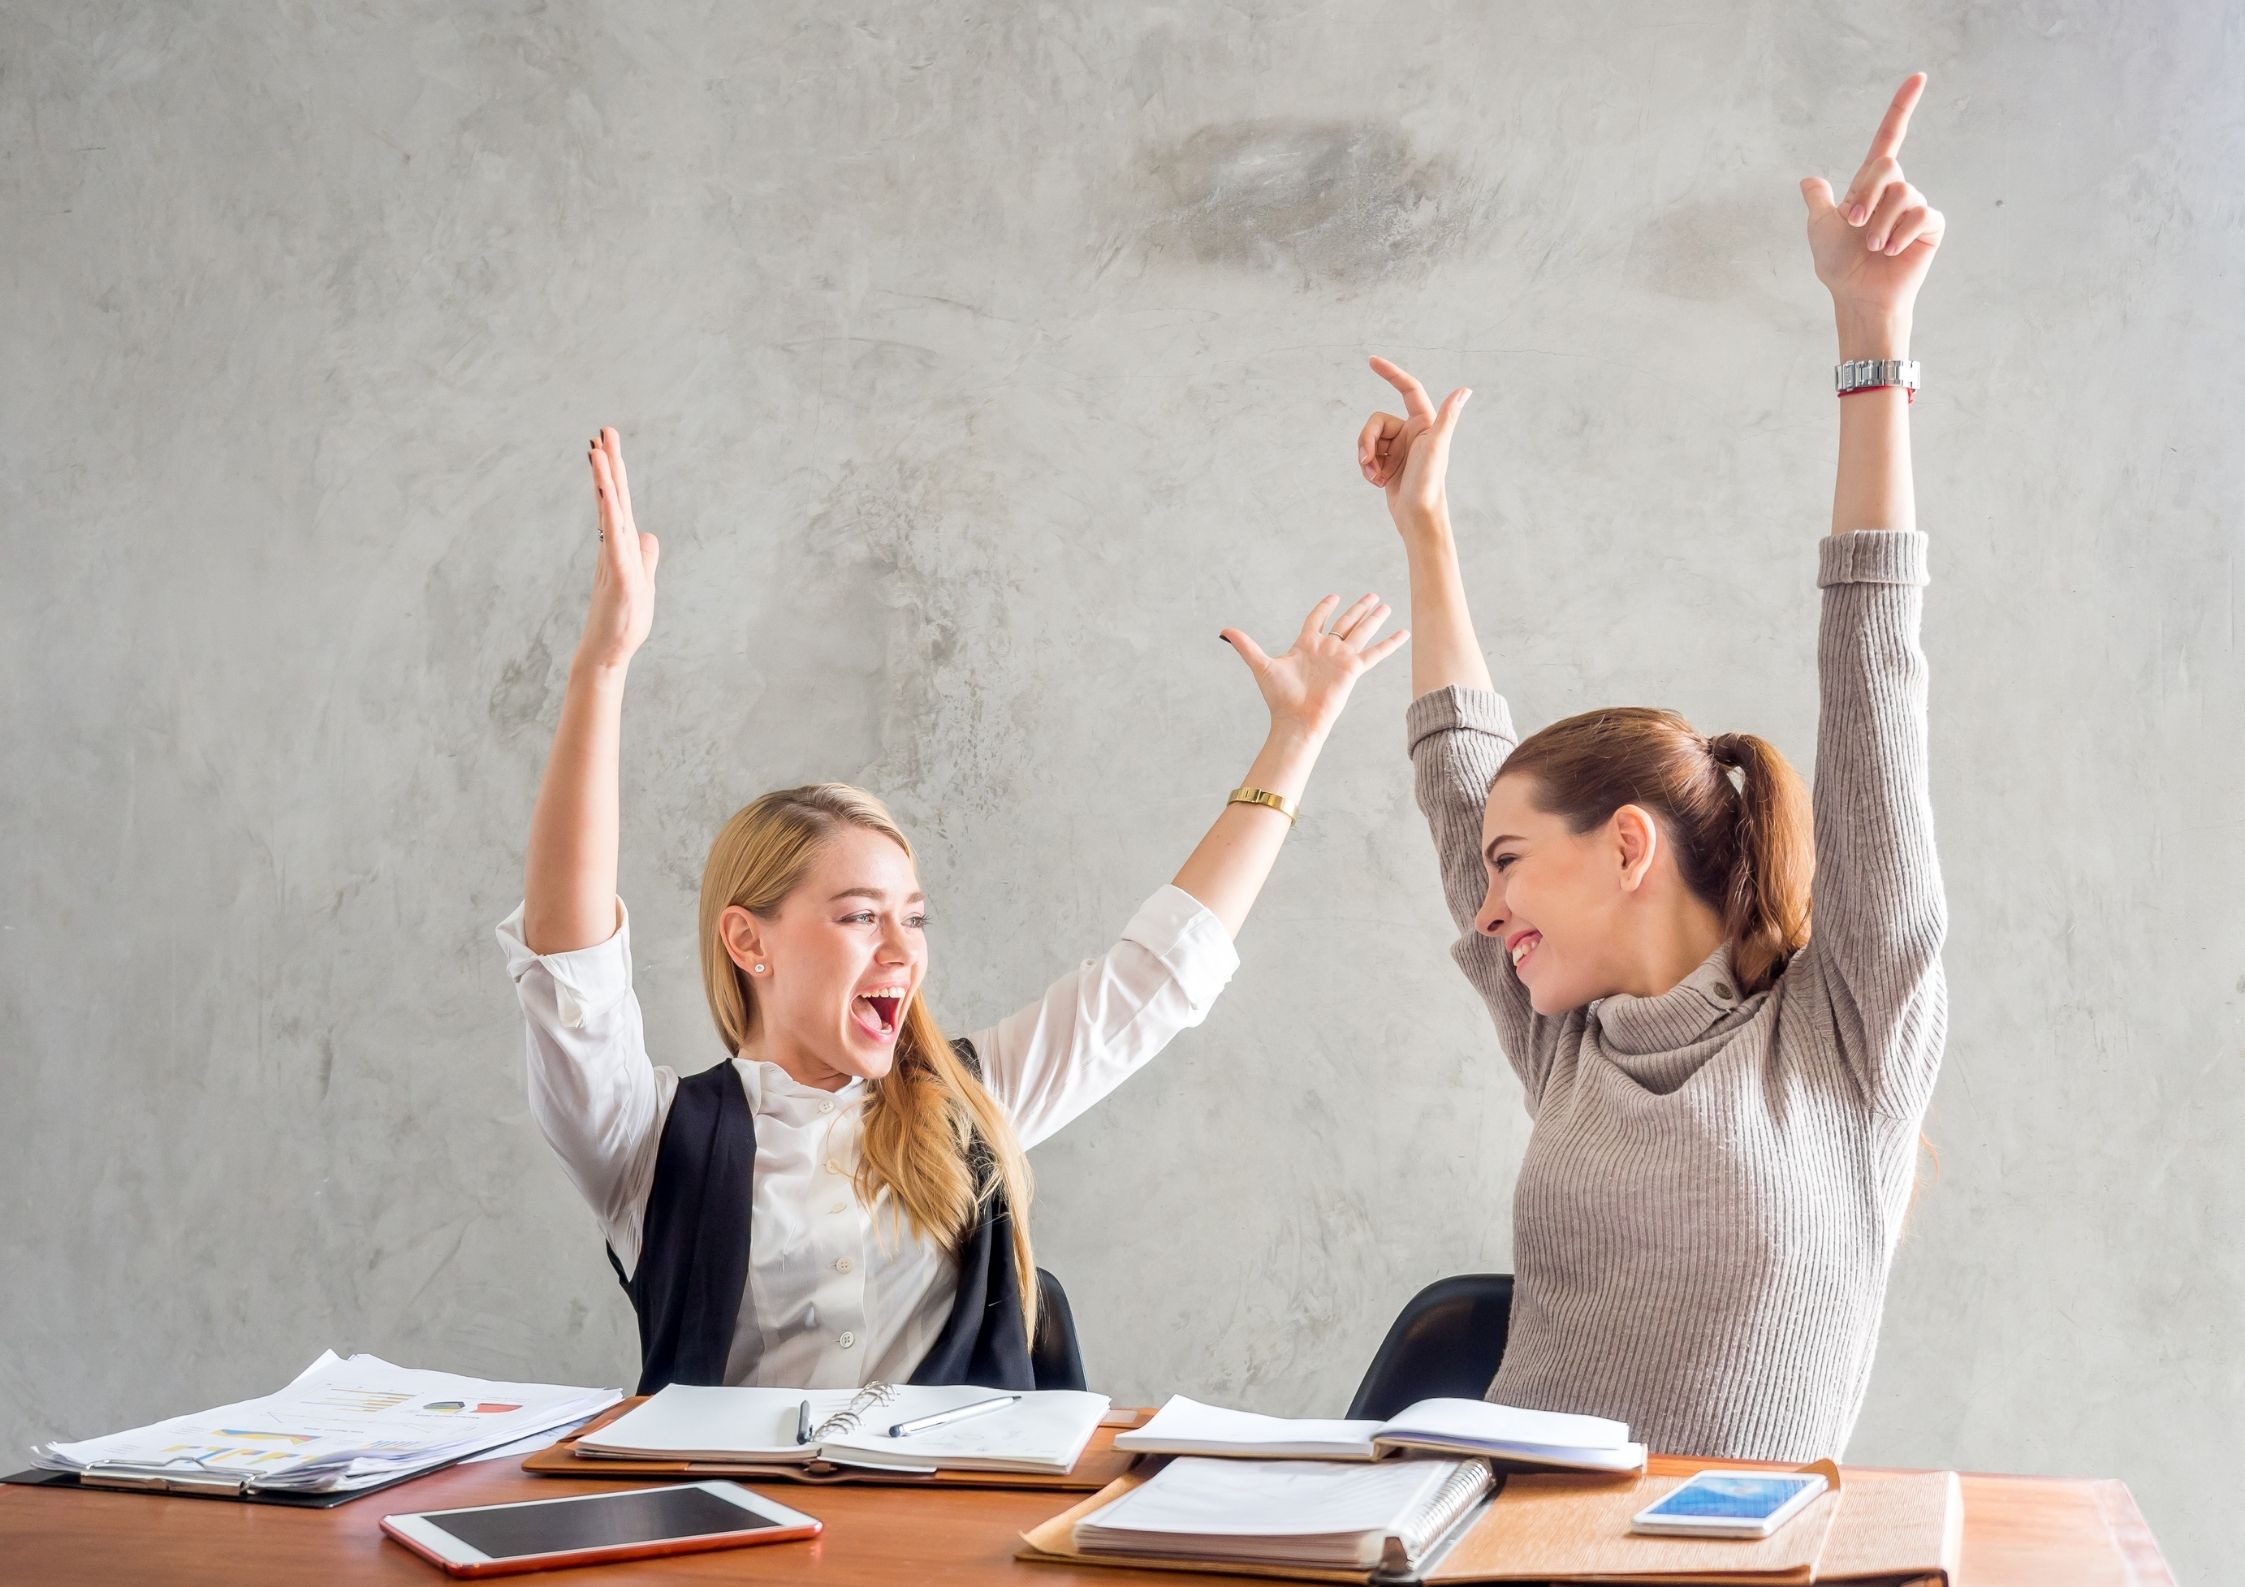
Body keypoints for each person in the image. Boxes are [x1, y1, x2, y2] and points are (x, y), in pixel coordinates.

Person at [498, 428, 1407, 1394]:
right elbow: (571, 968)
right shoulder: (649, 1138)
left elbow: (1160, 975)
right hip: (733, 1534)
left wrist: (1295, 738)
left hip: (948, 1537)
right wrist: (600, 670)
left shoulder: (969, 1104)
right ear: (746, 939)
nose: (901, 949)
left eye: (913, 917)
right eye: (858, 917)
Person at [1357, 74, 1948, 1460]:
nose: (1485, 906)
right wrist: (1424, 531)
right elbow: (1462, 777)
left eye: (1510, 866)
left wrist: (1876, 338)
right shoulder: (1565, 1034)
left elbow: (1874, 673)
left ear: (1627, 845)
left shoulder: (1850, 1029)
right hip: (1481, 1540)